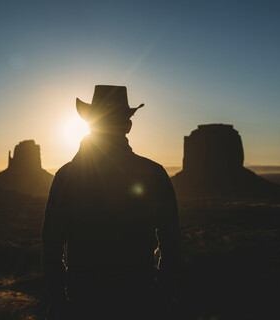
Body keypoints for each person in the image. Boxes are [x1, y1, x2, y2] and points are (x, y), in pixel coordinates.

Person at [42, 85, 181, 320]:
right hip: (140, 300)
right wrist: (163, 295)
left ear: (89, 123)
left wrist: (58, 301)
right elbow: (171, 241)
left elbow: (51, 244)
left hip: (83, 302)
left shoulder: (67, 176)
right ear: (128, 125)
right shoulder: (153, 173)